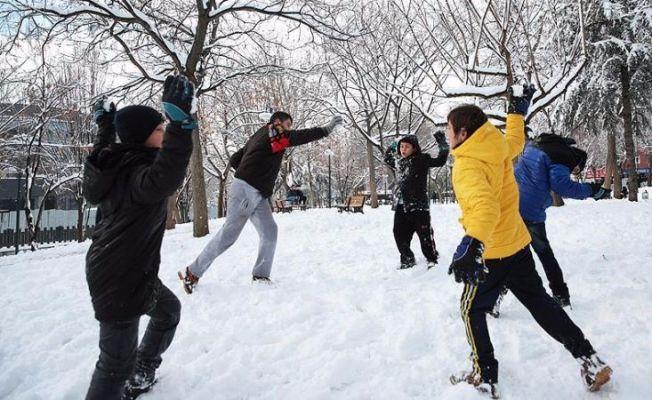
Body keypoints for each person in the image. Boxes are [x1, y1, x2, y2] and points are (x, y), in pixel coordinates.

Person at [446, 85, 612, 398]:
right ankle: (589, 359)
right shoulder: (494, 145)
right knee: (540, 303)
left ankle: (483, 376)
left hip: (492, 251)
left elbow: (484, 207)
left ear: (464, 133)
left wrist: (472, 243)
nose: (447, 135)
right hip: (518, 244)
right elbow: (514, 141)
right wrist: (516, 113)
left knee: (471, 310)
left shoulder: (467, 164)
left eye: (449, 130)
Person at [83, 75, 196, 399]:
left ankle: (142, 371)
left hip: (127, 271)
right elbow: (167, 174)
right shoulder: (138, 176)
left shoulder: (118, 163)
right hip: (118, 278)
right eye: (159, 130)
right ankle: (129, 375)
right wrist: (180, 124)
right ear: (144, 138)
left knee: (168, 311)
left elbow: (105, 150)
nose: (163, 133)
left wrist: (105, 127)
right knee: (115, 361)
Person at [178, 112, 343, 292]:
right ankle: (192, 272)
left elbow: (235, 158)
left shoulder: (261, 134)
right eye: (288, 124)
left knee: (269, 231)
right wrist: (326, 129)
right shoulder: (274, 131)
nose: (289, 129)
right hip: (248, 190)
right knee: (229, 235)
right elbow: (298, 136)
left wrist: (252, 168)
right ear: (277, 122)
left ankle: (261, 275)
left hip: (256, 192)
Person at [508, 133, 611, 308]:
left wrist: (563, 143)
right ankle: (561, 294)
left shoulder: (537, 145)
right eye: (576, 169)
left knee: (507, 253)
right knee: (544, 253)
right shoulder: (563, 159)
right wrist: (592, 190)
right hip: (530, 210)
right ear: (576, 162)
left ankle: (494, 296)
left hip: (510, 203)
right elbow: (562, 186)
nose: (574, 172)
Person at [384, 131, 449, 269]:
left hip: (419, 205)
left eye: (407, 146)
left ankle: (432, 258)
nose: (403, 149)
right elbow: (387, 158)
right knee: (399, 233)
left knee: (424, 234)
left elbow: (440, 160)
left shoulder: (422, 159)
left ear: (414, 148)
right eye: (401, 146)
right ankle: (407, 259)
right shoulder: (400, 163)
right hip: (402, 206)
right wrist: (394, 143)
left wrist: (442, 143)